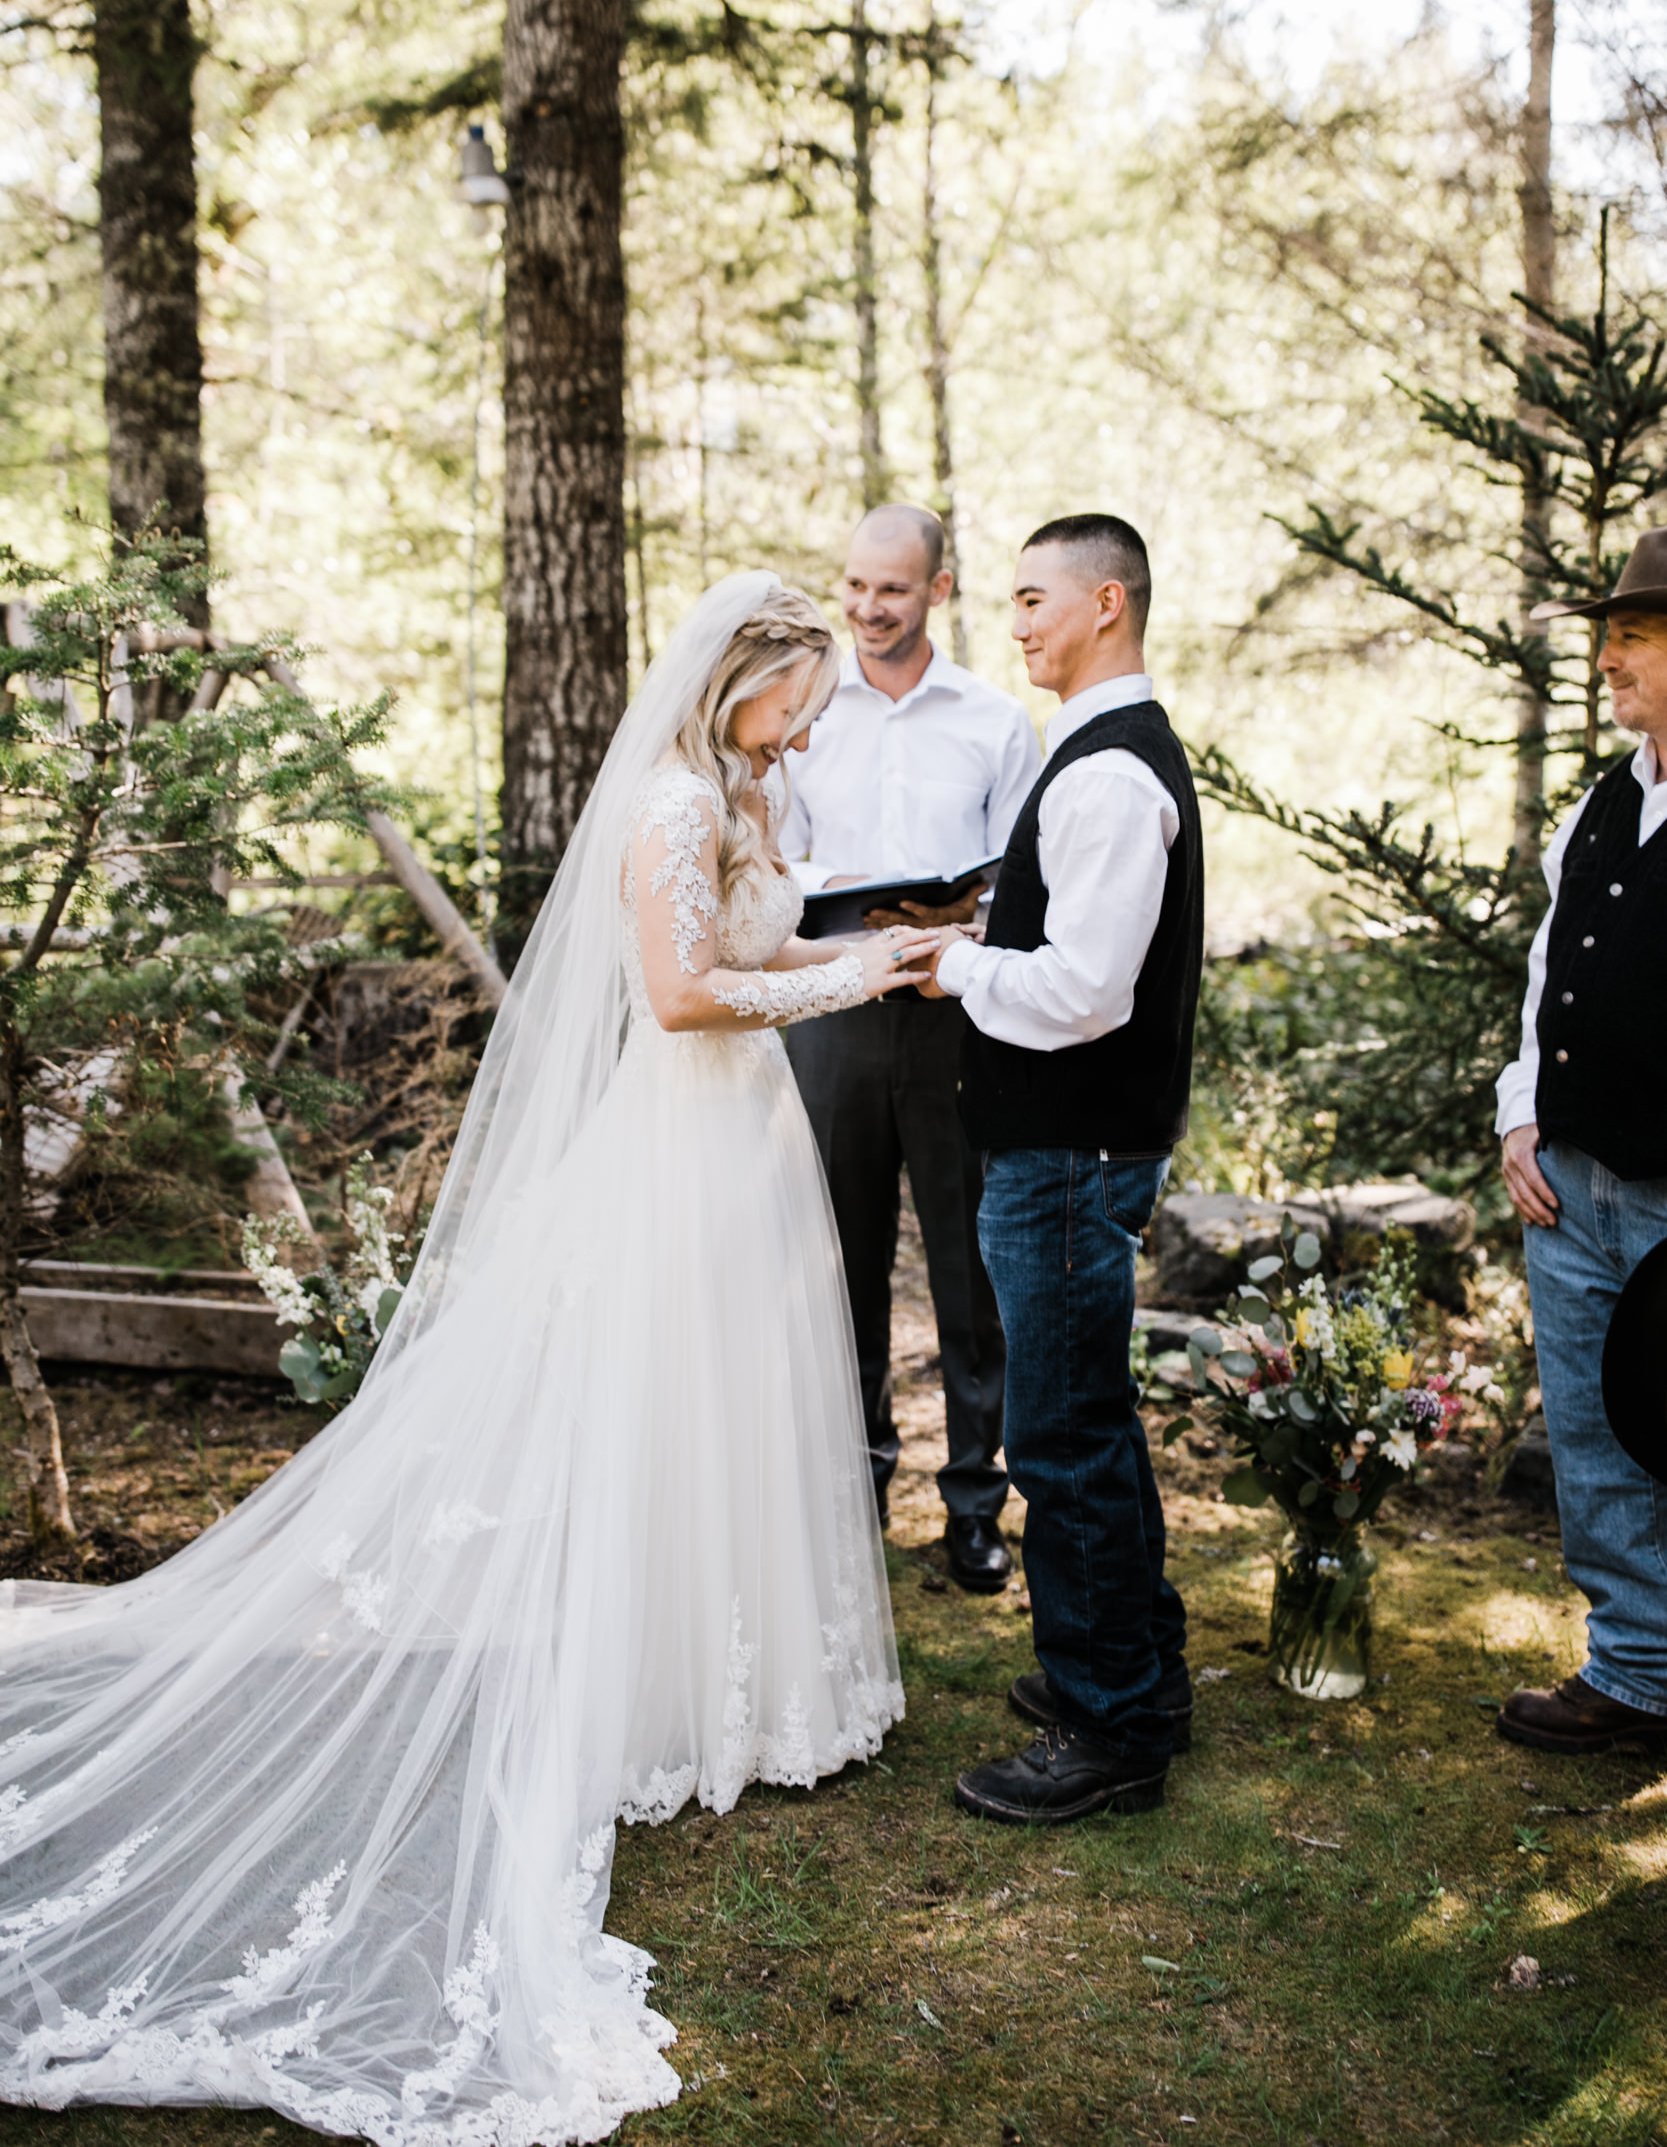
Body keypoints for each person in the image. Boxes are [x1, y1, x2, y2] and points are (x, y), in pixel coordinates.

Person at [0, 576, 936, 2144]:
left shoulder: (751, 787)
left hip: (752, 1144)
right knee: (669, 1401)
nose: (816, 715)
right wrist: (857, 975)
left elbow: (757, 931)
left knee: (749, 1405)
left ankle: (751, 1685)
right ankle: (643, 1690)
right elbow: (678, 993)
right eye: (803, 690)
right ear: (742, 677)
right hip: (682, 1146)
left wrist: (867, 929)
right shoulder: (667, 797)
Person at [924, 514, 1203, 1824]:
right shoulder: (1089, 754)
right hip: (1064, 1145)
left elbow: (1085, 991)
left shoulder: (1105, 773)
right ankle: (1136, 1675)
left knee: (1062, 1432)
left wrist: (953, 963)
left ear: (1105, 604)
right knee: (1088, 1414)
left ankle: (1105, 1731)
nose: (1017, 622)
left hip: (1070, 1149)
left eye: (1034, 600)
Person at [779, 504, 1040, 1591]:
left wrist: (964, 921)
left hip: (956, 1018)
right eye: (852, 586)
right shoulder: (802, 714)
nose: (865, 608)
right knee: (833, 1264)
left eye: (889, 589)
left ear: (937, 590)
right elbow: (770, 861)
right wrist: (841, 900)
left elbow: (1028, 880)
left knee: (968, 1273)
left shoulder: (994, 721)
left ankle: (975, 1505)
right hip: (832, 1010)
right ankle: (855, 1490)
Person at [1494, 529, 1667, 1757]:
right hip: (1570, 1184)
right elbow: (1548, 974)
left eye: (1631, 640)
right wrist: (1518, 1116)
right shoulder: (1602, 801)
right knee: (1595, 1439)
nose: (1605, 662)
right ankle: (1632, 1669)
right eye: (1608, 637)